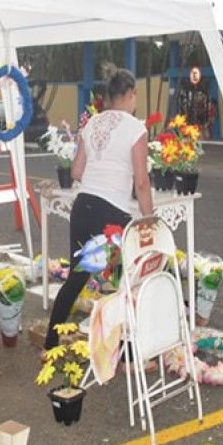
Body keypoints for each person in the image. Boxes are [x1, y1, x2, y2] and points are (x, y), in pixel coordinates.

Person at [43, 67, 153, 353]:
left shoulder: (91, 124)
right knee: (126, 282)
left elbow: (77, 170)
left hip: (84, 207)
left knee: (77, 278)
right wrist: (150, 220)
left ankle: (49, 345)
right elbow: (142, 182)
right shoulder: (135, 127)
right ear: (130, 95)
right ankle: (126, 354)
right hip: (111, 215)